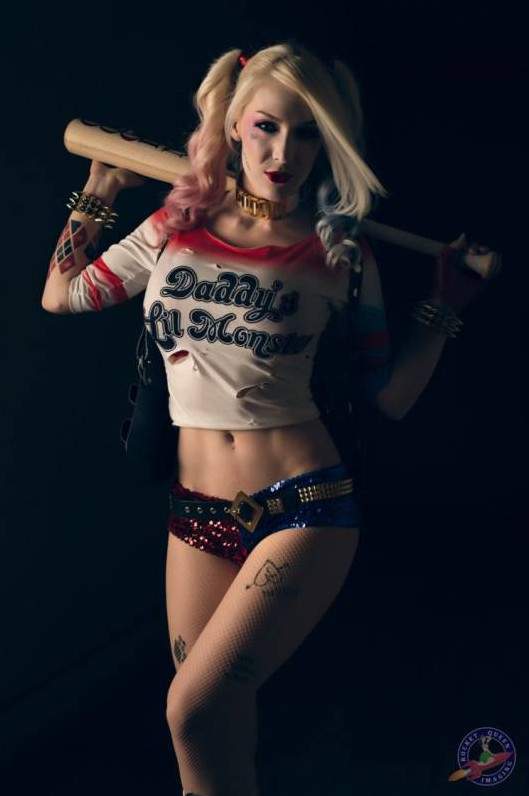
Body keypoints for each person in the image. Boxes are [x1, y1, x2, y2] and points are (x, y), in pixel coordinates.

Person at [41, 40, 490, 796]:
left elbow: (389, 395)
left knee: (189, 712)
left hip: (302, 506)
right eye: (267, 127)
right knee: (219, 735)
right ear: (234, 124)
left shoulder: (341, 255)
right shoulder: (173, 226)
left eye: (308, 133)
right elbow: (63, 294)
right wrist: (100, 189)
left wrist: (446, 306)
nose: (285, 153)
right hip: (195, 514)